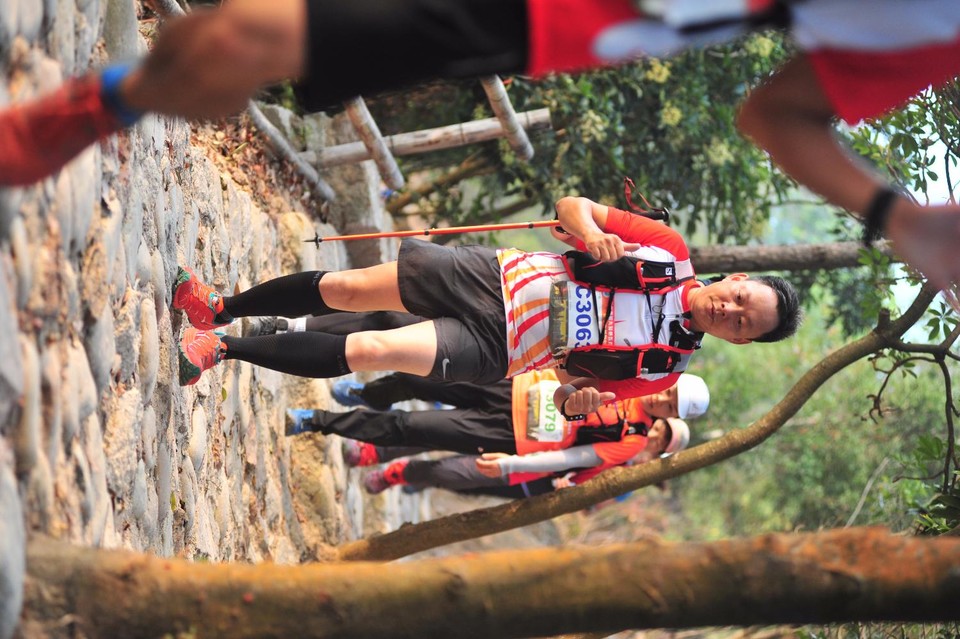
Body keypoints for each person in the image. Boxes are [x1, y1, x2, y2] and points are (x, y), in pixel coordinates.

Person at [2, 0, 959, 290]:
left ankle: (88, 111)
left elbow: (777, 115)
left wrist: (898, 217)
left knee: (230, 48)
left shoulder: (934, 30)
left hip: (554, 16)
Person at [173, 196, 800, 416]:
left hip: (503, 350)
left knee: (372, 346)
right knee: (347, 291)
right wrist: (589, 233)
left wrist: (575, 402)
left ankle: (221, 349)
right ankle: (219, 306)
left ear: (740, 341)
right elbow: (572, 206)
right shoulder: (668, 249)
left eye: (743, 323)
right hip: (492, 278)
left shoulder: (664, 370)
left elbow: (566, 393)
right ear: (737, 278)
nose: (731, 310)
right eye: (741, 298)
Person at [356, 415, 690, 496]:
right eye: (661, 428)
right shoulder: (628, 420)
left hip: (532, 477)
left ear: (662, 452)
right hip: (524, 431)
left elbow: (590, 487)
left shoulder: (630, 473)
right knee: (440, 431)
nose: (656, 436)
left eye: (662, 441)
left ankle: (400, 473)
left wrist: (571, 488)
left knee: (453, 475)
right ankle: (375, 451)